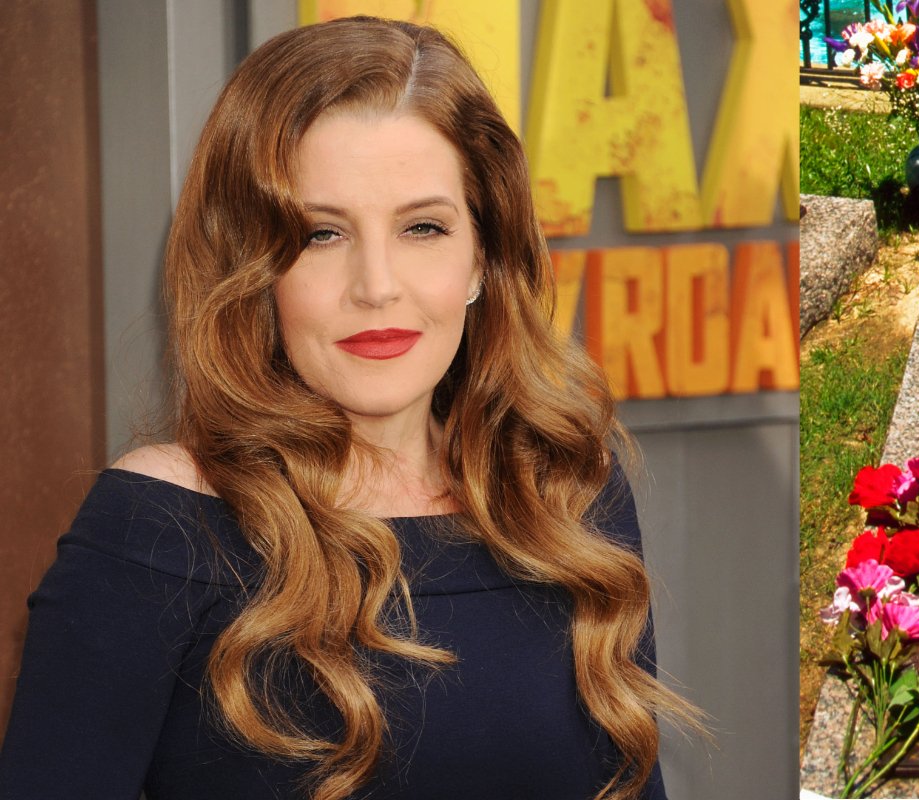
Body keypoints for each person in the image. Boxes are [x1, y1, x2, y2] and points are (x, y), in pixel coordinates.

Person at [0, 17, 694, 800]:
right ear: (254, 269)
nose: (376, 285)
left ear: (483, 260)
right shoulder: (158, 529)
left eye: (423, 228)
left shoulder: (565, 495)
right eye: (322, 233)